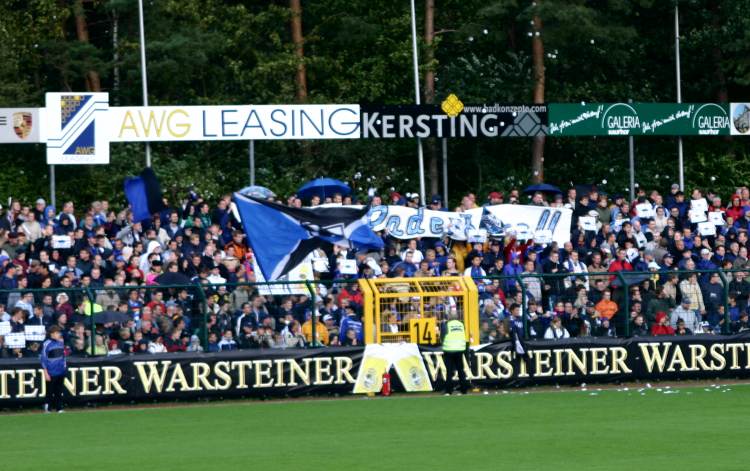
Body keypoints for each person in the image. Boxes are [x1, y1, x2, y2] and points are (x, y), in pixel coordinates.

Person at [441, 312, 470, 395]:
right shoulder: (461, 325)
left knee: (449, 371)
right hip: (460, 350)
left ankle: (448, 390)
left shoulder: (446, 325)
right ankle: (464, 389)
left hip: (449, 350)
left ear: (449, 317)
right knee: (461, 370)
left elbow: (442, 337)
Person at [41, 325, 67, 413]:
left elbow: (63, 356)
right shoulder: (47, 344)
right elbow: (43, 358)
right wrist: (46, 372)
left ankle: (59, 408)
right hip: (51, 371)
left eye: (58, 333)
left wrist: (64, 366)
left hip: (60, 371)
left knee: (59, 391)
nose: (58, 334)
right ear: (52, 334)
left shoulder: (60, 343)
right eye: (57, 333)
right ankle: (47, 407)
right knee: (50, 391)